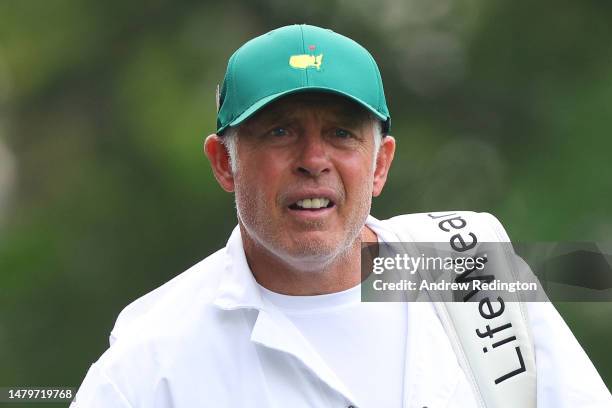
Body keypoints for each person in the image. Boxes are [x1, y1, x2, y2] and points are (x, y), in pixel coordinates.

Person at [72, 24, 611, 407]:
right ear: (224, 163)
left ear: (381, 164)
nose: (313, 160)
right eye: (280, 130)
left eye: (341, 133)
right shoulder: (148, 363)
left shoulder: (475, 267)